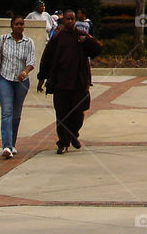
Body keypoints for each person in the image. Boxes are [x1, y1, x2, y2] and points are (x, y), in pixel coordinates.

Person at [37, 9, 102, 154]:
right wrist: (42, 78)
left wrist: (87, 42)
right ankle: (63, 142)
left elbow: (97, 49)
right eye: (68, 19)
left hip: (79, 83)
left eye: (73, 19)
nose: (70, 21)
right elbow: (47, 58)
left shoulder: (82, 35)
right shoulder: (57, 38)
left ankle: (73, 134)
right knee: (62, 114)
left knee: (79, 113)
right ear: (63, 20)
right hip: (61, 83)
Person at [0, 15, 35, 159]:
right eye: (16, 24)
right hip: (4, 80)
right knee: (7, 113)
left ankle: (12, 144)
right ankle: (6, 145)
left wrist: (25, 71)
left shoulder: (29, 42)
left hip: (21, 82)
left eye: (21, 24)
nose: (19, 26)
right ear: (11, 26)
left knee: (16, 116)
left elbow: (32, 61)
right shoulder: (4, 39)